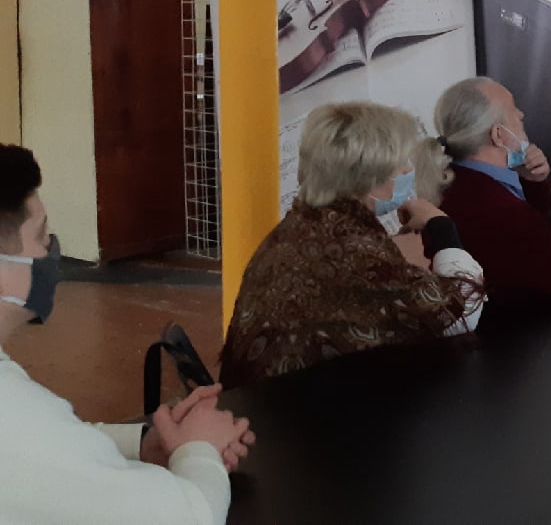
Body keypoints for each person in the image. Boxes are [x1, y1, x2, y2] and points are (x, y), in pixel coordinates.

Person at [0, 144, 255, 525]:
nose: (51, 249)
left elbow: (49, 448)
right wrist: (198, 448)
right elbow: (188, 517)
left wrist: (141, 446)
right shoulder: (13, 414)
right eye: (40, 236)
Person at [220, 102, 485, 387]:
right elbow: (458, 315)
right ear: (370, 176)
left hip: (272, 395)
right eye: (401, 164)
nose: (409, 170)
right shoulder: (351, 246)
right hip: (300, 407)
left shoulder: (306, 222)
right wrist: (441, 224)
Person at [434, 77, 551, 318]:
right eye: (513, 109)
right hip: (514, 328)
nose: (521, 114)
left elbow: (536, 244)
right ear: (498, 135)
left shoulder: (456, 183)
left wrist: (532, 182)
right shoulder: (493, 206)